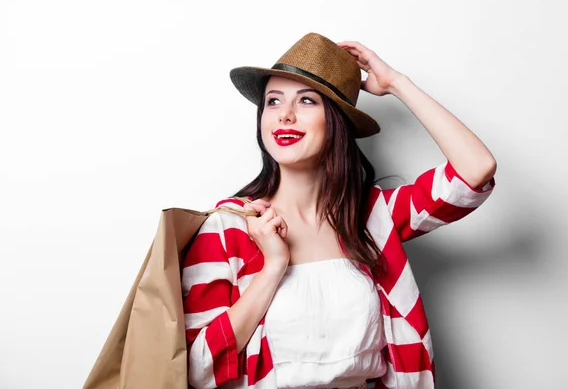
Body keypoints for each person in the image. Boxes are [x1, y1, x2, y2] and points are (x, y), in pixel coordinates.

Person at [182, 32, 497, 389]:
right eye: (273, 101)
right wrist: (273, 268)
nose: (285, 115)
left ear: (336, 121)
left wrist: (398, 83)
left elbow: (475, 170)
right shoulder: (229, 228)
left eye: (306, 101)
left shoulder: (373, 217)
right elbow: (197, 370)